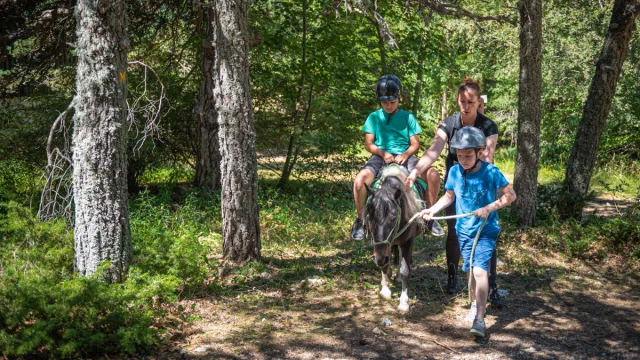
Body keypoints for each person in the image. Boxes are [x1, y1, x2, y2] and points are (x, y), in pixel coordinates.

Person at [405, 78, 502, 306]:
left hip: (481, 187)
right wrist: (415, 172)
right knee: (454, 232)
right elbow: (433, 150)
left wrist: (480, 187)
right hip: (455, 184)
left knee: (485, 234)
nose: (466, 106)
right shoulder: (449, 123)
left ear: (479, 102)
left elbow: (487, 157)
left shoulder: (488, 126)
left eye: (471, 102)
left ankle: (492, 285)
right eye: (462, 101)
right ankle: (452, 277)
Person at [419, 126, 516, 337]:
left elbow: (511, 196)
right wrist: (432, 210)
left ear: (480, 151)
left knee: (480, 271)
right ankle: (475, 304)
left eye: (468, 155)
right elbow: (449, 197)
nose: (463, 159)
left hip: (486, 229)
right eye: (459, 155)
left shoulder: (491, 172)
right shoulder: (454, 172)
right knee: (472, 272)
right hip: (463, 230)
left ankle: (480, 319)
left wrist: (489, 208)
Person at [351, 75, 443, 240]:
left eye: (392, 102)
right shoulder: (373, 117)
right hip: (380, 156)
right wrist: (382, 153)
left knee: (434, 175)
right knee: (359, 181)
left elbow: (415, 144)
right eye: (385, 102)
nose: (388, 105)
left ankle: (429, 217)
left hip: (405, 156)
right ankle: (361, 220)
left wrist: (405, 154)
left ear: (399, 99)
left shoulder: (409, 118)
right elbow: (369, 144)